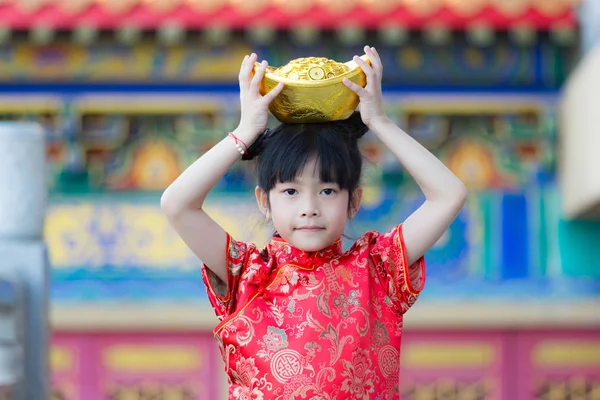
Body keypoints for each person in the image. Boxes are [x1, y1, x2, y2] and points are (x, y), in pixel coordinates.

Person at [161, 46, 467, 400]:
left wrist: (380, 122)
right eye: (291, 191)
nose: (309, 208)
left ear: (354, 200)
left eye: (327, 191)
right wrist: (245, 132)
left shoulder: (378, 270)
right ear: (265, 202)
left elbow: (449, 194)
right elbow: (177, 204)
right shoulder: (246, 276)